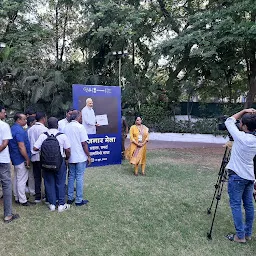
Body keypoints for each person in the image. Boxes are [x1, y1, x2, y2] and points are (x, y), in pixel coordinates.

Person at [225, 108, 256, 243]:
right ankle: (247, 233)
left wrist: (244, 111)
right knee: (249, 206)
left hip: (237, 176)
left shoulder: (240, 136)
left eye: (241, 123)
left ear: (244, 126)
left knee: (236, 205)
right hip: (249, 176)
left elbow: (229, 120)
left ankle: (240, 236)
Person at [33, 117, 71, 212]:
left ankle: (52, 204)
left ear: (47, 125)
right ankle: (61, 204)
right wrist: (66, 158)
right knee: (60, 182)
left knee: (49, 183)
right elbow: (68, 150)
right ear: (57, 125)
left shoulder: (43, 135)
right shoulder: (62, 135)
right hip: (60, 161)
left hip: (46, 163)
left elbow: (35, 148)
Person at [64, 111, 91, 206]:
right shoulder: (80, 127)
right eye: (81, 116)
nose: (82, 118)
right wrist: (88, 155)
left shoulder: (65, 127)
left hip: (70, 156)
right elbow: (84, 143)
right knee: (79, 177)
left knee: (71, 177)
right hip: (80, 157)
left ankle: (70, 198)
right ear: (78, 117)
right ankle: (79, 200)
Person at [9, 112, 34, 206]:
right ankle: (22, 200)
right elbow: (21, 146)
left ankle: (17, 196)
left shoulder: (13, 128)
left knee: (17, 177)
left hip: (15, 157)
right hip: (20, 158)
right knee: (22, 179)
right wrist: (27, 158)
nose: (26, 121)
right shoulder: (19, 131)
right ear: (18, 120)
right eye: (24, 119)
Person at [0, 106, 20, 222]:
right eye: (3, 112)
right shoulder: (4, 125)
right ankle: (8, 215)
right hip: (2, 160)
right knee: (6, 185)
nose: (5, 114)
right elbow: (5, 143)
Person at [27, 112, 48, 203]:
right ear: (43, 118)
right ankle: (46, 195)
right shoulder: (44, 129)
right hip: (42, 156)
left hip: (33, 156)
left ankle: (38, 196)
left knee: (36, 176)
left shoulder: (30, 129)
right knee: (46, 176)